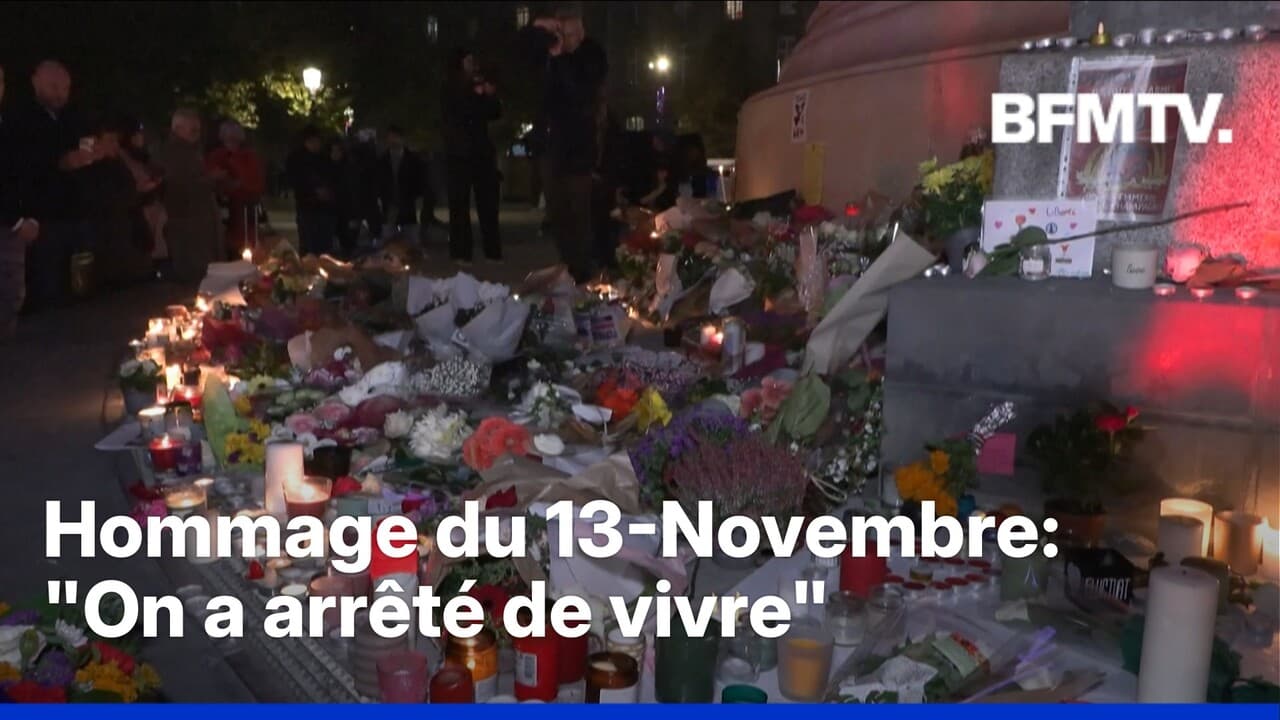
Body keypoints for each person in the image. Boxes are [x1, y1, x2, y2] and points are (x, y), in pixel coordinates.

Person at [523, 8, 608, 282]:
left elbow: (578, 93)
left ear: (581, 34)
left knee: (578, 214)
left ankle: (583, 270)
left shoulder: (590, 56)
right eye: (561, 34)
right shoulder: (551, 55)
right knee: (557, 213)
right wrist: (537, 25)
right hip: (552, 148)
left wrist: (560, 58)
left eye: (570, 35)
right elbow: (519, 51)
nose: (565, 40)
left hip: (578, 149)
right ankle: (569, 264)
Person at [9, 60, 94, 310]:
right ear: (36, 82)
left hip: (75, 208)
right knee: (48, 286)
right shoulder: (20, 119)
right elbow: (20, 165)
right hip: (44, 213)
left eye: (64, 88)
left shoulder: (72, 117)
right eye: (54, 86)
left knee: (79, 283)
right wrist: (60, 162)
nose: (60, 94)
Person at [442, 48, 502, 265]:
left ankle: (492, 251)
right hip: (459, 153)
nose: (471, 65)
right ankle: (461, 251)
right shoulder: (452, 86)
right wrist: (473, 93)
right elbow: (454, 113)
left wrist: (488, 94)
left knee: (487, 203)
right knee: (459, 205)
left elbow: (495, 111)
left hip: (481, 152)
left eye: (473, 60)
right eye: (467, 60)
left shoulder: (480, 84)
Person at [79, 122, 150, 288]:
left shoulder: (118, 165)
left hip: (125, 229)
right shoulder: (90, 169)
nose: (115, 146)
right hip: (104, 232)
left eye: (116, 141)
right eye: (110, 141)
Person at [155, 109, 223, 282]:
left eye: (197, 130)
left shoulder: (191, 152)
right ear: (178, 129)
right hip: (188, 226)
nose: (197, 135)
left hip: (198, 223)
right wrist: (210, 179)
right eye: (193, 130)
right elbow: (181, 184)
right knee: (194, 277)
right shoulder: (174, 153)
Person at [0, 64, 41, 340]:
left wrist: (29, 214)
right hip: (6, 223)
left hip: (12, 220)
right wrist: (16, 220)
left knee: (12, 292)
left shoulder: (8, 123)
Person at [207, 120, 265, 259]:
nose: (232, 138)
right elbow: (210, 177)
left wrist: (240, 184)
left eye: (234, 134)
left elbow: (256, 180)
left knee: (247, 245)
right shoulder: (216, 156)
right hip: (224, 209)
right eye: (228, 134)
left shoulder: (249, 156)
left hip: (246, 209)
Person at [116, 117, 166, 265]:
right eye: (137, 134)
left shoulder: (142, 156)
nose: (141, 138)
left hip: (153, 209)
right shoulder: (123, 157)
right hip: (136, 211)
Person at [286, 125, 338, 255]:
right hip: (307, 208)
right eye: (313, 141)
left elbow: (334, 178)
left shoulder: (325, 158)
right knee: (308, 245)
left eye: (318, 141)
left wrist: (329, 192)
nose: (316, 144)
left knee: (325, 245)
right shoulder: (297, 159)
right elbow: (295, 181)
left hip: (325, 209)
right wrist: (314, 191)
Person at [377, 125, 424, 246]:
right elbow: (379, 182)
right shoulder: (383, 160)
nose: (393, 140)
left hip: (408, 201)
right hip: (390, 202)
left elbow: (419, 180)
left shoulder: (412, 159)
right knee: (388, 237)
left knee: (411, 237)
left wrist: (416, 195)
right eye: (390, 137)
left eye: (395, 137)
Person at [330, 139, 356, 258]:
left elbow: (352, 193)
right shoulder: (328, 168)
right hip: (331, 212)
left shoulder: (349, 169)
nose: (335, 154)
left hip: (345, 212)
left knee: (346, 245)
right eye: (333, 151)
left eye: (338, 151)